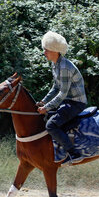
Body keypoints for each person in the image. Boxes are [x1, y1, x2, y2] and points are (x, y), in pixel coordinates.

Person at [36, 32, 87, 163]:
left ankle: (74, 153)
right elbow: (55, 87)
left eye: (46, 50)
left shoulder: (64, 67)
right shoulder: (55, 64)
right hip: (67, 100)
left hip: (76, 102)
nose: (44, 52)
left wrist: (46, 108)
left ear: (54, 51)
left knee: (51, 126)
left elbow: (62, 93)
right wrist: (43, 101)